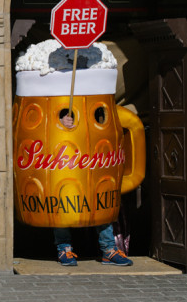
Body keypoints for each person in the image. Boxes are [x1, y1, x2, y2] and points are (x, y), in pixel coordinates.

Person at [54, 113, 133, 267]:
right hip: (66, 150)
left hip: (92, 146)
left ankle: (109, 249)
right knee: (61, 197)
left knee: (100, 198)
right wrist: (59, 122)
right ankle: (64, 248)